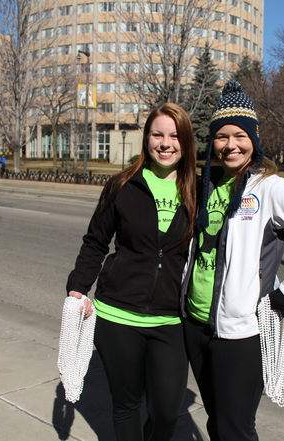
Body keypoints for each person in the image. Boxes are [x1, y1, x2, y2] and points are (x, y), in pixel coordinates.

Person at [184, 80, 284, 441]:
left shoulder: (270, 188)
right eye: (222, 137)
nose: (231, 145)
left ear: (254, 140)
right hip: (195, 324)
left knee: (235, 429)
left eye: (240, 136)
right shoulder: (207, 184)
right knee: (216, 420)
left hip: (241, 333)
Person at [66, 103, 197, 441]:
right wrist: (78, 288)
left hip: (172, 321)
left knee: (167, 412)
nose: (165, 143)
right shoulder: (123, 184)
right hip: (118, 316)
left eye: (174, 135)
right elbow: (96, 241)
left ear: (186, 142)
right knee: (126, 405)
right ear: (147, 138)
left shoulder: (199, 190)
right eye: (157, 134)